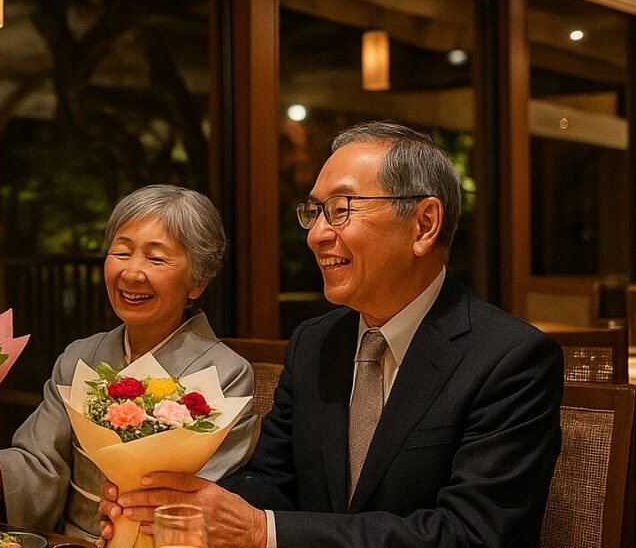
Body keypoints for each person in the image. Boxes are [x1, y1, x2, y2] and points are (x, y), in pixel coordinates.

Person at [100, 122, 563, 547]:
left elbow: (471, 534)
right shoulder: (316, 343)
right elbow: (272, 480)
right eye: (315, 212)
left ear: (423, 225)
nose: (316, 235)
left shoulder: (509, 359)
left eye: (340, 210)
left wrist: (262, 530)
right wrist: (169, 505)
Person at [0, 185, 255, 542]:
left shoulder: (225, 376)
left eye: (156, 259)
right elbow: (40, 466)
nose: (132, 273)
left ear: (198, 282)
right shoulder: (81, 357)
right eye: (122, 252)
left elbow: (205, 508)